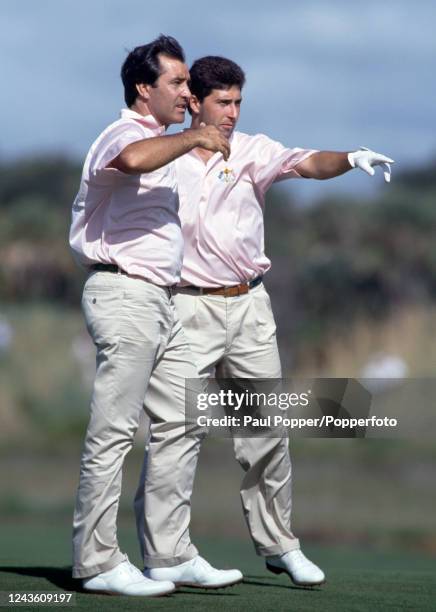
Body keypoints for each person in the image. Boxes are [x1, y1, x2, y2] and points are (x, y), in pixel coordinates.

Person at [135, 55, 393, 587]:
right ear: (194, 102)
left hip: (249, 307)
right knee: (177, 432)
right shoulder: (165, 156)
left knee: (267, 432)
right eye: (222, 102)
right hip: (186, 307)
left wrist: (351, 157)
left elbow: (307, 163)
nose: (231, 113)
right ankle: (165, 554)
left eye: (237, 103)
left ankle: (279, 545)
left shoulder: (253, 149)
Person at [69, 38, 243, 597]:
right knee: (114, 432)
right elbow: (131, 161)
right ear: (144, 89)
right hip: (124, 296)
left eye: (189, 84)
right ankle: (96, 564)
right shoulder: (125, 134)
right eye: (177, 83)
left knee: (182, 420)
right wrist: (195, 134)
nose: (188, 93)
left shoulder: (161, 141)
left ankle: (167, 555)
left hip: (161, 302)